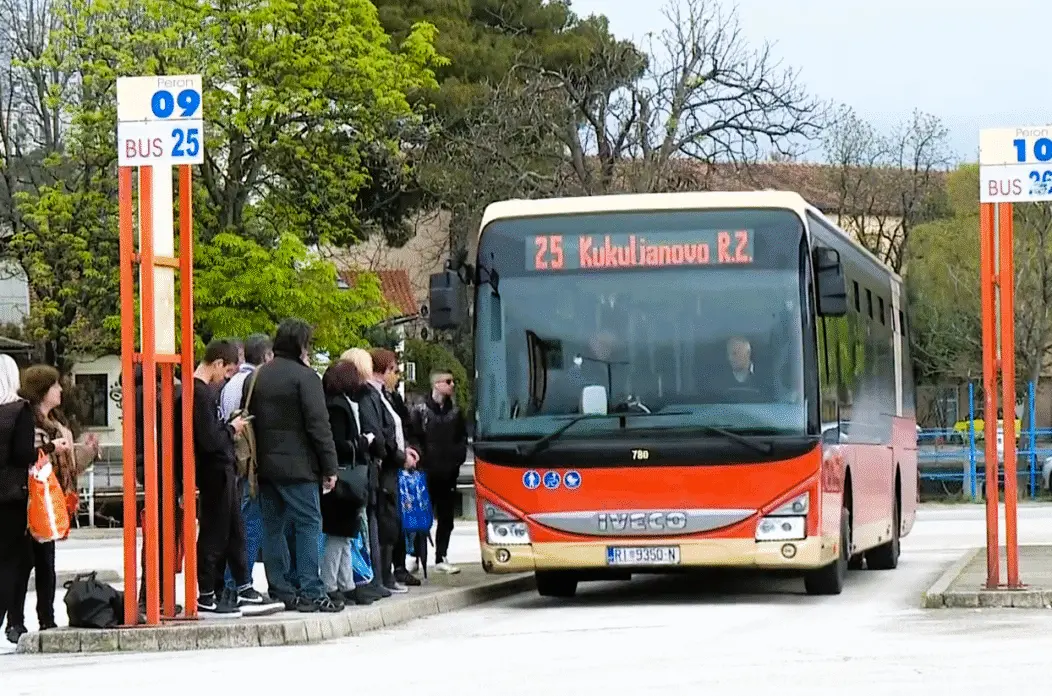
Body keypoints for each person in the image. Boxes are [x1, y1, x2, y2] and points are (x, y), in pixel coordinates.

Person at [249, 319, 341, 613]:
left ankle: (280, 588)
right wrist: (330, 467)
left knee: (272, 529)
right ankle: (312, 590)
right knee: (309, 525)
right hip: (300, 468)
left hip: (265, 467)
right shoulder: (306, 378)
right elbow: (319, 426)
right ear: (301, 345)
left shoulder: (258, 376)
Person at [6, 365, 97, 640]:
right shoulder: (29, 422)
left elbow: (69, 467)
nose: (60, 390)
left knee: (46, 562)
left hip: (53, 500)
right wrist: (52, 448)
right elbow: (28, 457)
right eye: (55, 385)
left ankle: (46, 617)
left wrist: (89, 452)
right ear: (43, 390)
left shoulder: (57, 424)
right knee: (26, 562)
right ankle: (16, 621)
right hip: (34, 500)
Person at [188, 339, 271, 616]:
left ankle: (241, 585)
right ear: (218, 364)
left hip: (222, 470)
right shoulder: (200, 394)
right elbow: (209, 439)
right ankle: (207, 592)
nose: (226, 379)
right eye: (226, 372)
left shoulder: (202, 392)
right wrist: (231, 429)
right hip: (214, 471)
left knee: (234, 530)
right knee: (215, 533)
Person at [356, 348, 419, 594]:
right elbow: (380, 433)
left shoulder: (386, 395)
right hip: (383, 468)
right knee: (384, 522)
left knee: (390, 522)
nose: (395, 375)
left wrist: (405, 450)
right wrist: (400, 456)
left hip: (391, 466)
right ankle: (382, 575)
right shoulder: (370, 395)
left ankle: (387, 573)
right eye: (392, 369)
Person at [220, 333, 273, 597]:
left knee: (236, 524)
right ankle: (240, 583)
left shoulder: (230, 383)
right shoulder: (257, 382)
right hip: (249, 463)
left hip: (232, 459)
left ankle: (230, 583)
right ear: (266, 355)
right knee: (250, 525)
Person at [320, 360, 376, 608]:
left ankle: (346, 583)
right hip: (343, 475)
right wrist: (363, 442)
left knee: (344, 535)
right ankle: (332, 584)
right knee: (339, 534)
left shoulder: (335, 403)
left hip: (341, 475)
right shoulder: (338, 406)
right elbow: (340, 443)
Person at [409, 370, 468, 575]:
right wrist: (420, 459)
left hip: (448, 472)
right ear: (437, 384)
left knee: (446, 517)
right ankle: (416, 555)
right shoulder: (420, 410)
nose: (452, 385)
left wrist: (457, 459)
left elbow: (461, 438)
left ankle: (441, 556)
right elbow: (414, 437)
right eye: (448, 381)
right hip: (426, 471)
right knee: (421, 516)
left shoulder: (456, 412)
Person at [0, 356, 35, 644]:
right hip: (11, 496)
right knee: (14, 561)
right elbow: (23, 454)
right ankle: (11, 618)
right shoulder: (19, 410)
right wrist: (48, 448)